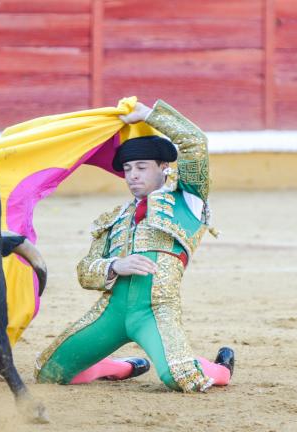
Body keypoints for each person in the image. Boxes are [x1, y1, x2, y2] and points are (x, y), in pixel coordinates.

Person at [34, 99, 234, 391]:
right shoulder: (114, 218)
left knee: (182, 378)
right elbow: (85, 271)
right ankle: (117, 367)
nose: (133, 175)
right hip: (111, 312)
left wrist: (150, 116)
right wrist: (115, 265)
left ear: (164, 168)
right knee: (47, 372)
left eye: (142, 167)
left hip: (155, 311)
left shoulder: (187, 200)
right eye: (128, 169)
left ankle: (221, 370)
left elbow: (194, 142)